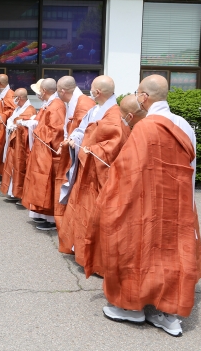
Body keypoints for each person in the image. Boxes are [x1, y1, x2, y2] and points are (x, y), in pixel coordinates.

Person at [90, 75, 201, 338]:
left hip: (146, 204)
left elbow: (127, 171)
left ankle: (133, 308)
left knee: (139, 251)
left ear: (143, 97)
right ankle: (168, 315)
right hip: (179, 204)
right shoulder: (184, 125)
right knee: (173, 254)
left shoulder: (145, 127)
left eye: (137, 93)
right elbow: (191, 170)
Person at [58, 76, 130, 271]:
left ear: (97, 92)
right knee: (81, 210)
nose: (89, 91)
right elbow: (82, 129)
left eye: (92, 88)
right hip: (86, 168)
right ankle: (79, 249)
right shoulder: (95, 109)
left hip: (99, 173)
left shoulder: (114, 115)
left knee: (95, 215)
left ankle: (96, 260)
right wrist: (75, 138)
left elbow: (112, 147)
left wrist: (85, 147)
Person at [20, 78, 65, 230]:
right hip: (41, 150)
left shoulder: (56, 106)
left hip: (48, 151)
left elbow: (56, 131)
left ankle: (50, 218)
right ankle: (41, 213)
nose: (38, 94)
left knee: (47, 183)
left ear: (44, 91)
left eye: (39, 91)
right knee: (39, 182)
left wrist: (37, 129)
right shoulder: (49, 104)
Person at [52, 76, 95, 230]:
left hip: (78, 155)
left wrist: (71, 140)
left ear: (62, 91)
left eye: (57, 90)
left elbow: (88, 133)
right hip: (70, 150)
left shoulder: (84, 104)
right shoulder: (74, 102)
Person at [0, 88, 36, 202]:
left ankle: (20, 194)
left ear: (19, 98)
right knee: (12, 167)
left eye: (14, 96)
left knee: (20, 168)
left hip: (22, 145)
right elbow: (12, 120)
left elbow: (28, 127)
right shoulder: (18, 108)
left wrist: (16, 125)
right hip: (14, 142)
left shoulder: (30, 110)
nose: (13, 99)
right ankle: (13, 192)